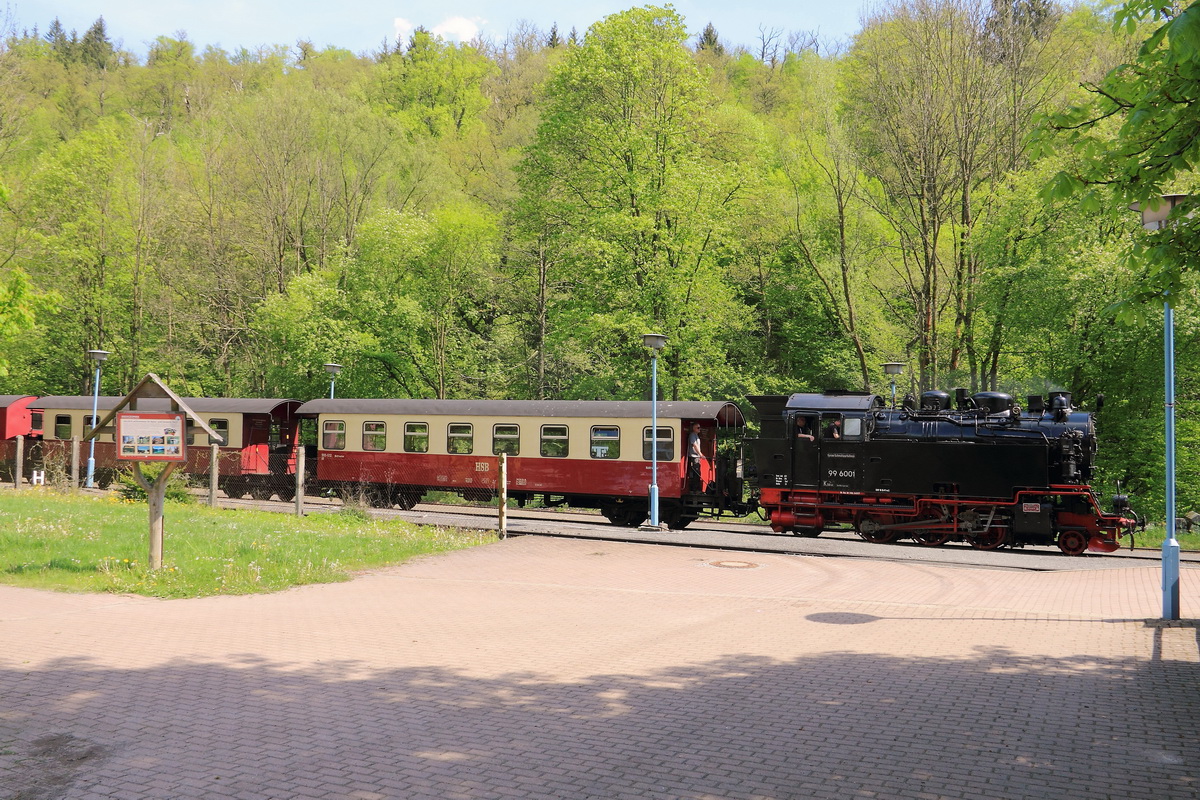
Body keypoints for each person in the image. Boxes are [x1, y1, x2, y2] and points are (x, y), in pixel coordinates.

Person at [687, 423, 703, 491]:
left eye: (699, 427)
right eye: (698, 428)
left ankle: (696, 489)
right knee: (695, 473)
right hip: (693, 456)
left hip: (696, 456)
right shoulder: (692, 435)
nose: (699, 429)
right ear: (694, 428)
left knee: (697, 473)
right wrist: (700, 454)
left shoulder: (696, 435)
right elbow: (694, 445)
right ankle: (694, 489)